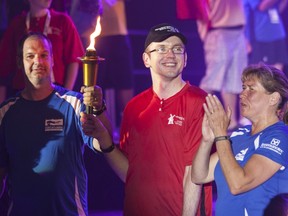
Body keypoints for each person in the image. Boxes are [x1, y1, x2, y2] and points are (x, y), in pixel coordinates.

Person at [80, 23, 213, 216]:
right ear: (146, 59)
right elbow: (130, 174)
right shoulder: (134, 107)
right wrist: (105, 140)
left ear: (185, 60)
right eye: (161, 48)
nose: (170, 54)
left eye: (177, 49)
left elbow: (194, 175)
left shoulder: (199, 102)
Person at [0, 32, 111, 215]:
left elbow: (102, 144)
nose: (38, 61)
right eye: (30, 56)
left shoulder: (74, 103)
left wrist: (98, 108)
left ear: (52, 60)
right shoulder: (5, 113)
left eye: (44, 55)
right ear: (20, 62)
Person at [191, 63, 288, 215]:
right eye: (243, 87)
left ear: (273, 98)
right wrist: (208, 140)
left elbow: (239, 184)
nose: (242, 94)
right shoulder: (240, 134)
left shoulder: (280, 136)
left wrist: (221, 135)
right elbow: (199, 175)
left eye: (251, 89)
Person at [0, 0, 84, 104]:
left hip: (55, 92)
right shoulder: (16, 24)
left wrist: (66, 96)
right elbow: (3, 67)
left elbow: (73, 59)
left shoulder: (63, 21)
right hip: (23, 93)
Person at [195, 0, 249, 130]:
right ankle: (196, 120)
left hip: (238, 31)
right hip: (218, 31)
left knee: (234, 79)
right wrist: (206, 34)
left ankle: (232, 122)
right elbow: (200, 11)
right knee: (212, 79)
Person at [95, 0, 134, 132]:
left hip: (117, 29)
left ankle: (130, 129)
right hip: (86, 28)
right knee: (93, 84)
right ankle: (94, 129)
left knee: (124, 81)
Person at [244, 0, 288, 71]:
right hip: (261, 36)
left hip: (278, 33)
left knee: (278, 71)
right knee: (261, 72)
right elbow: (262, 7)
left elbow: (277, 9)